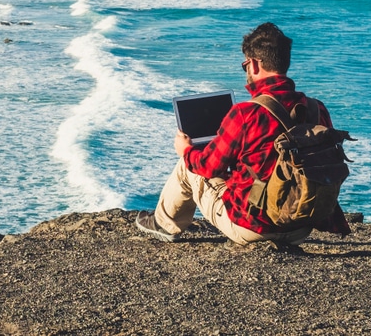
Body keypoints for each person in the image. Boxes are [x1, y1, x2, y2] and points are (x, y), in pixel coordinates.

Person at [136, 22, 350, 246]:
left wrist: (186, 150)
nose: (246, 71)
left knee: (187, 166)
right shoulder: (317, 109)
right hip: (301, 226)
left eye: (245, 65)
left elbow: (208, 167)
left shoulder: (246, 113)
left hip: (252, 228)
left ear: (255, 64)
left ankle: (163, 224)